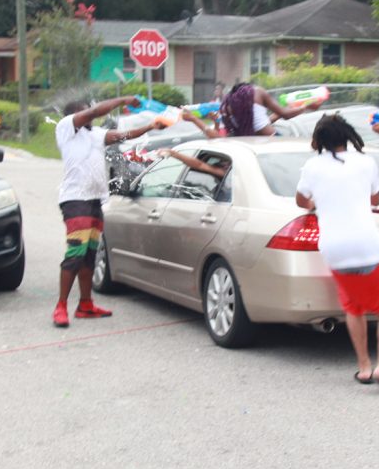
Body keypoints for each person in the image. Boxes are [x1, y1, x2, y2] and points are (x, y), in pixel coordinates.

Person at [295, 114, 379, 393]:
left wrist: (317, 201)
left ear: (319, 140)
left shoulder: (312, 166)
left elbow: (301, 200)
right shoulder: (366, 162)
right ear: (347, 136)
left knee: (353, 306)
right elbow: (375, 199)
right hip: (368, 245)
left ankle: (364, 367)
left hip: (334, 249)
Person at [53, 96, 166, 327]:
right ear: (75, 114)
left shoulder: (95, 134)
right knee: (75, 254)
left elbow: (123, 136)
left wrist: (150, 127)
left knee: (89, 256)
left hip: (95, 200)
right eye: (86, 110)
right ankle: (61, 306)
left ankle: (85, 305)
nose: (92, 113)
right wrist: (124, 99)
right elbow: (95, 112)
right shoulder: (66, 129)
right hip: (76, 200)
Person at [183, 82, 320, 138]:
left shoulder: (228, 108)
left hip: (250, 145)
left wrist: (195, 119)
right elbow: (285, 115)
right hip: (273, 140)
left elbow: (259, 123)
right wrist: (306, 106)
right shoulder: (257, 92)